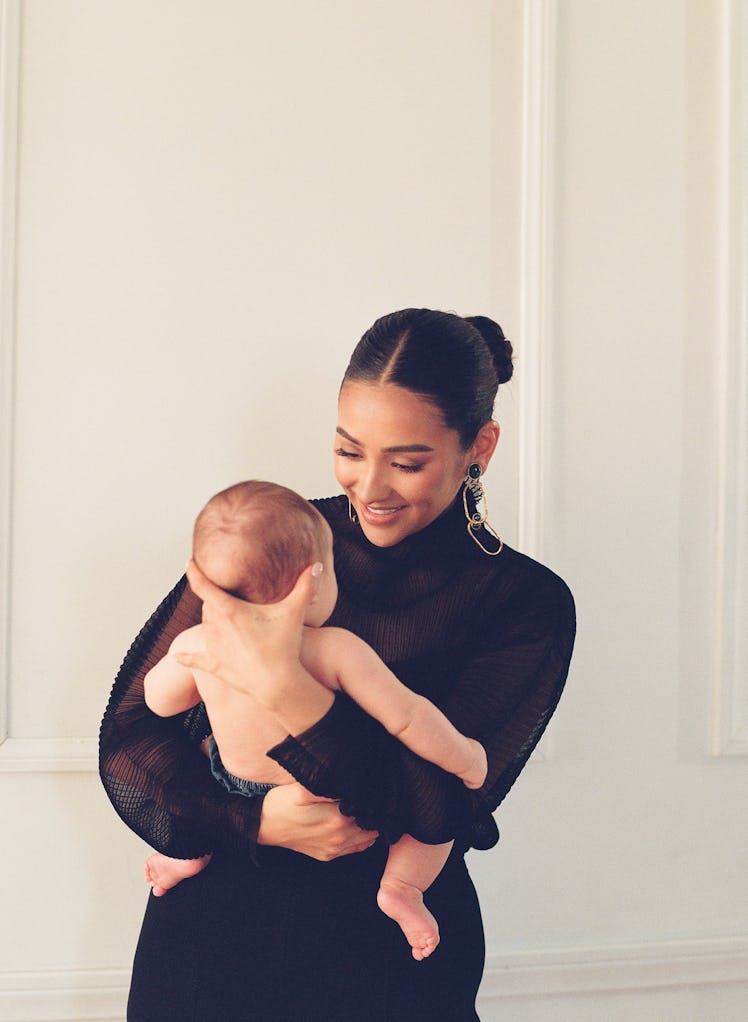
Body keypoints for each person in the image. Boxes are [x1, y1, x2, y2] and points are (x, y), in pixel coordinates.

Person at [100, 308, 576, 1021]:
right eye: (350, 451)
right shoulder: (270, 539)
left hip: (384, 957)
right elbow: (130, 739)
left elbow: (440, 802)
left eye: (407, 462)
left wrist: (285, 689)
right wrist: (253, 821)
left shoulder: (525, 602)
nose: (370, 487)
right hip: (210, 943)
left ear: (481, 445)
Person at [142, 479, 487, 961]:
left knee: (194, 761)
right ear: (314, 582)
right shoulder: (334, 648)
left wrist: (194, 658)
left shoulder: (196, 645)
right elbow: (407, 718)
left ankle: (189, 851)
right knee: (433, 807)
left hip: (230, 782)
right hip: (323, 789)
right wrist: (466, 758)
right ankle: (402, 887)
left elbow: (158, 705)